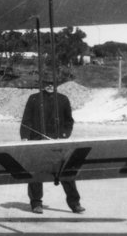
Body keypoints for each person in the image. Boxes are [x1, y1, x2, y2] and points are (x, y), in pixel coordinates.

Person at [19, 81, 85, 214]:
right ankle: (36, 203)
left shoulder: (62, 99)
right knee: (36, 173)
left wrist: (64, 135)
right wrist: (25, 137)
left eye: (53, 84)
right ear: (42, 84)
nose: (50, 86)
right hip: (37, 141)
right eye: (47, 83)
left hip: (57, 141)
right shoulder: (34, 98)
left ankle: (75, 203)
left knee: (65, 172)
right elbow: (26, 120)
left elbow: (69, 121)